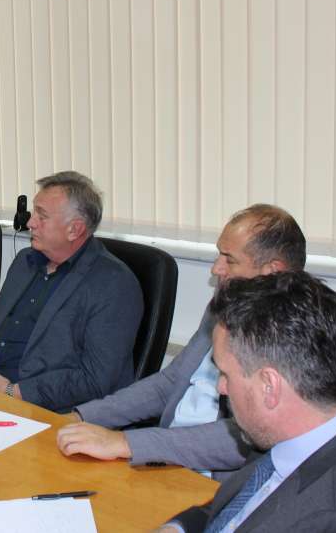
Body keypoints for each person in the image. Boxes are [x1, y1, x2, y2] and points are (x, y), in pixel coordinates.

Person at [57, 204, 305, 478]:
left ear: (272, 271)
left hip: (214, 479)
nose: (216, 269)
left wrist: (127, 443)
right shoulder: (223, 305)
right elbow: (169, 383)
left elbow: (244, 437)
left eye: (230, 259)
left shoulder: (295, 334)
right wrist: (83, 416)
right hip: (165, 457)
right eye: (219, 254)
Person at [161, 271, 336, 532]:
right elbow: (239, 508)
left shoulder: (332, 521)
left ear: (269, 386)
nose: (221, 387)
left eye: (225, 374)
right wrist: (179, 527)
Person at [0, 171, 143, 413]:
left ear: (74, 229)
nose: (30, 223)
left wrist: (14, 392)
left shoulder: (113, 283)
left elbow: (96, 379)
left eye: (41, 216)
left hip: (53, 412)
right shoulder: (25, 262)